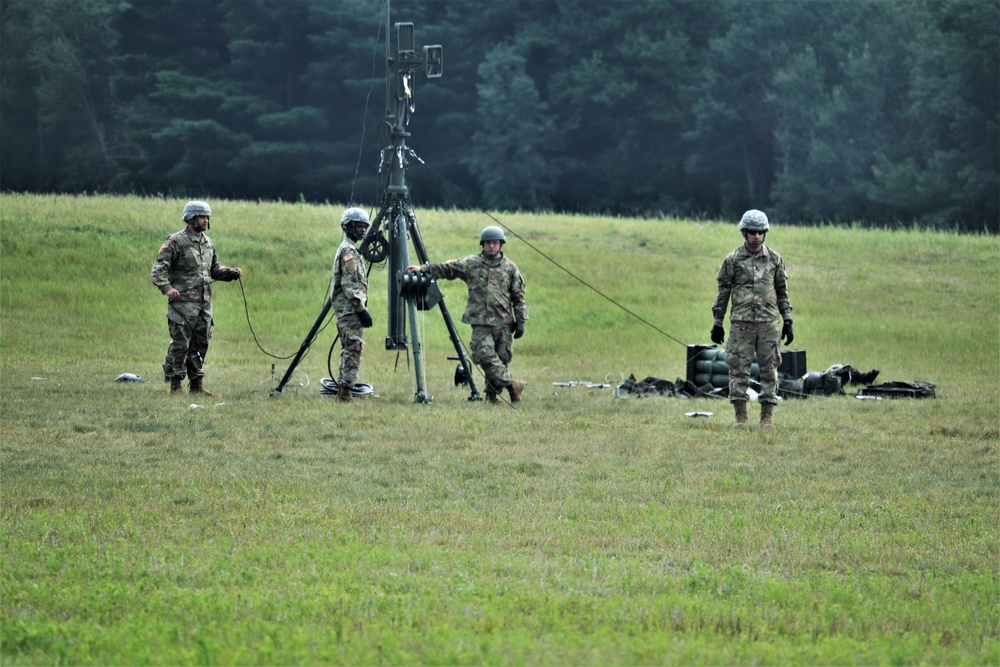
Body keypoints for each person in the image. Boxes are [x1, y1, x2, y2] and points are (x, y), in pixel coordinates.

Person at [405, 225, 528, 404]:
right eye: (488, 243)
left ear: (501, 244)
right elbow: (448, 269)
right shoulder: (472, 263)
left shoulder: (510, 268)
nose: (491, 246)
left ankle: (491, 395)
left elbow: (519, 296)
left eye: (495, 243)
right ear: (482, 245)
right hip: (480, 321)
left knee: (501, 359)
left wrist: (521, 320)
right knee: (483, 355)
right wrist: (423, 269)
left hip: (504, 322)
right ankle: (512, 385)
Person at [710, 209, 794, 426]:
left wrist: (788, 321)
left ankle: (766, 417)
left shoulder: (775, 259)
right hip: (741, 324)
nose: (756, 236)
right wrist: (717, 323)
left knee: (770, 369)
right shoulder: (733, 260)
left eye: (760, 232)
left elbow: (782, 292)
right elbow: (723, 293)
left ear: (765, 233)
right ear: (744, 233)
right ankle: (741, 417)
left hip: (768, 324)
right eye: (752, 232)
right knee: (738, 369)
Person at [151, 200, 243, 395]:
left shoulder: (208, 243)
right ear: (191, 218)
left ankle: (197, 386)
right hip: (182, 305)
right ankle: (175, 385)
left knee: (201, 344)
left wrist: (231, 273)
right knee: (180, 345)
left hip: (203, 304)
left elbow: (214, 270)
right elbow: (158, 270)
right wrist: (167, 288)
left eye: (207, 217)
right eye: (202, 217)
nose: (206, 220)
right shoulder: (175, 241)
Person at [329, 207, 373, 403]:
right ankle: (345, 394)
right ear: (349, 227)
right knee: (353, 348)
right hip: (350, 309)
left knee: (349, 348)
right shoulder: (349, 251)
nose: (363, 230)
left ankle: (344, 390)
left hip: (348, 309)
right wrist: (361, 310)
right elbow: (350, 283)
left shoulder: (351, 249)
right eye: (359, 226)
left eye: (365, 226)